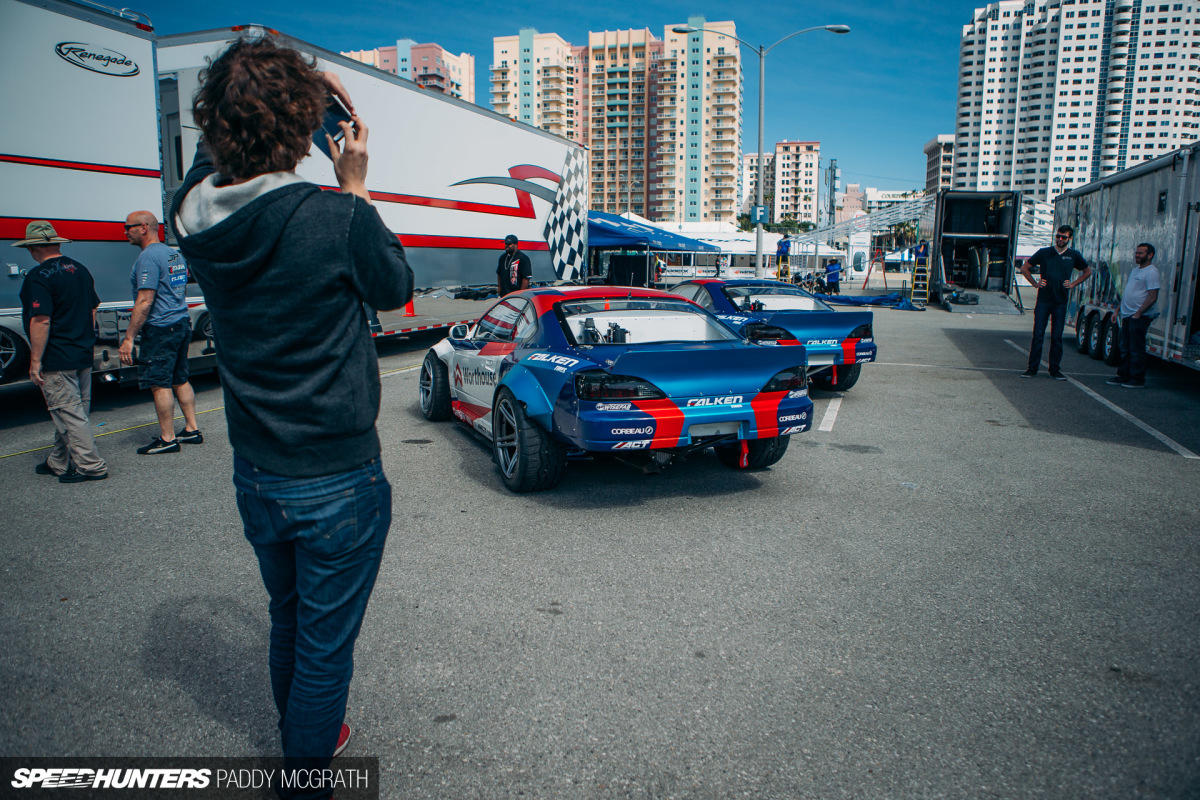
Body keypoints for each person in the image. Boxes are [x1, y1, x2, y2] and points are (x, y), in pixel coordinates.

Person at [169, 36, 413, 791]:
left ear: (216, 127)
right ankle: (306, 771)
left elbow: (207, 166)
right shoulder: (335, 218)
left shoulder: (193, 218)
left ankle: (306, 739)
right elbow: (392, 285)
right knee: (324, 648)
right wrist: (356, 180)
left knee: (288, 618)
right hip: (337, 476)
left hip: (258, 470)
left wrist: (266, 100)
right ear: (302, 125)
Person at [14, 221, 108, 483]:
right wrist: (85, 339)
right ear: (56, 243)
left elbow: (41, 319)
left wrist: (35, 361)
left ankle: (91, 467)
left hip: (57, 355)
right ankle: (59, 460)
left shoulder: (38, 276)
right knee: (74, 411)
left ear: (33, 248)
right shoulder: (80, 269)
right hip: (82, 353)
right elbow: (92, 308)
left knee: (68, 411)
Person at [118, 211, 202, 454]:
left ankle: (168, 439)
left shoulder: (148, 257)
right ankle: (192, 429)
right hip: (181, 322)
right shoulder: (172, 253)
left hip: (162, 327)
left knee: (159, 382)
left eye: (128, 227)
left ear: (144, 227)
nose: (125, 232)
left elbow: (145, 300)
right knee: (180, 378)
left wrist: (129, 337)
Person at [1020, 224, 1092, 379]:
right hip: (1044, 300)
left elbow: (1088, 271)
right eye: (1058, 236)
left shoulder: (1073, 255)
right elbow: (1025, 268)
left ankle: (1055, 369)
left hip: (1060, 301)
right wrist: (1034, 283)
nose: (1060, 239)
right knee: (1038, 334)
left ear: (1069, 239)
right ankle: (1032, 368)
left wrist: (1073, 284)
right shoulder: (1045, 252)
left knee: (1057, 336)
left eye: (1063, 237)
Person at [1106, 242, 1160, 388]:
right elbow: (1127, 293)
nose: (1137, 255)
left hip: (1139, 318)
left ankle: (1137, 380)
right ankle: (1123, 376)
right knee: (1125, 347)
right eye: (1136, 253)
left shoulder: (1151, 272)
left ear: (1150, 255)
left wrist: (1138, 313)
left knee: (1136, 349)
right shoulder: (1136, 271)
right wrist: (1117, 310)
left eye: (1140, 253)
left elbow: (1153, 296)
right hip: (1127, 315)